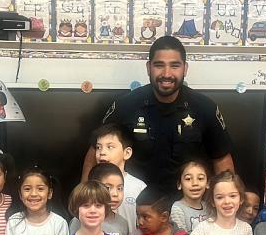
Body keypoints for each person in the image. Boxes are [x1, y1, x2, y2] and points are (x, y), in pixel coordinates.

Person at [83, 36, 235, 194]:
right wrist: (86, 198)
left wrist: (228, 198)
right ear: (149, 68)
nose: (167, 73)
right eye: (159, 65)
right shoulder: (125, 106)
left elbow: (221, 159)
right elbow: (95, 152)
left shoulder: (204, 107)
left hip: (188, 205)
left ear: (185, 68)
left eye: (175, 65)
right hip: (133, 204)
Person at [94, 124, 146, 226]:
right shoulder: (91, 186)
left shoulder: (139, 187)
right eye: (98, 147)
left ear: (127, 153)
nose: (102, 152)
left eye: (110, 147)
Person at [70, 163, 131, 235]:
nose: (115, 194)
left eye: (120, 188)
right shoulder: (79, 220)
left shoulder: (122, 223)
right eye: (108, 188)